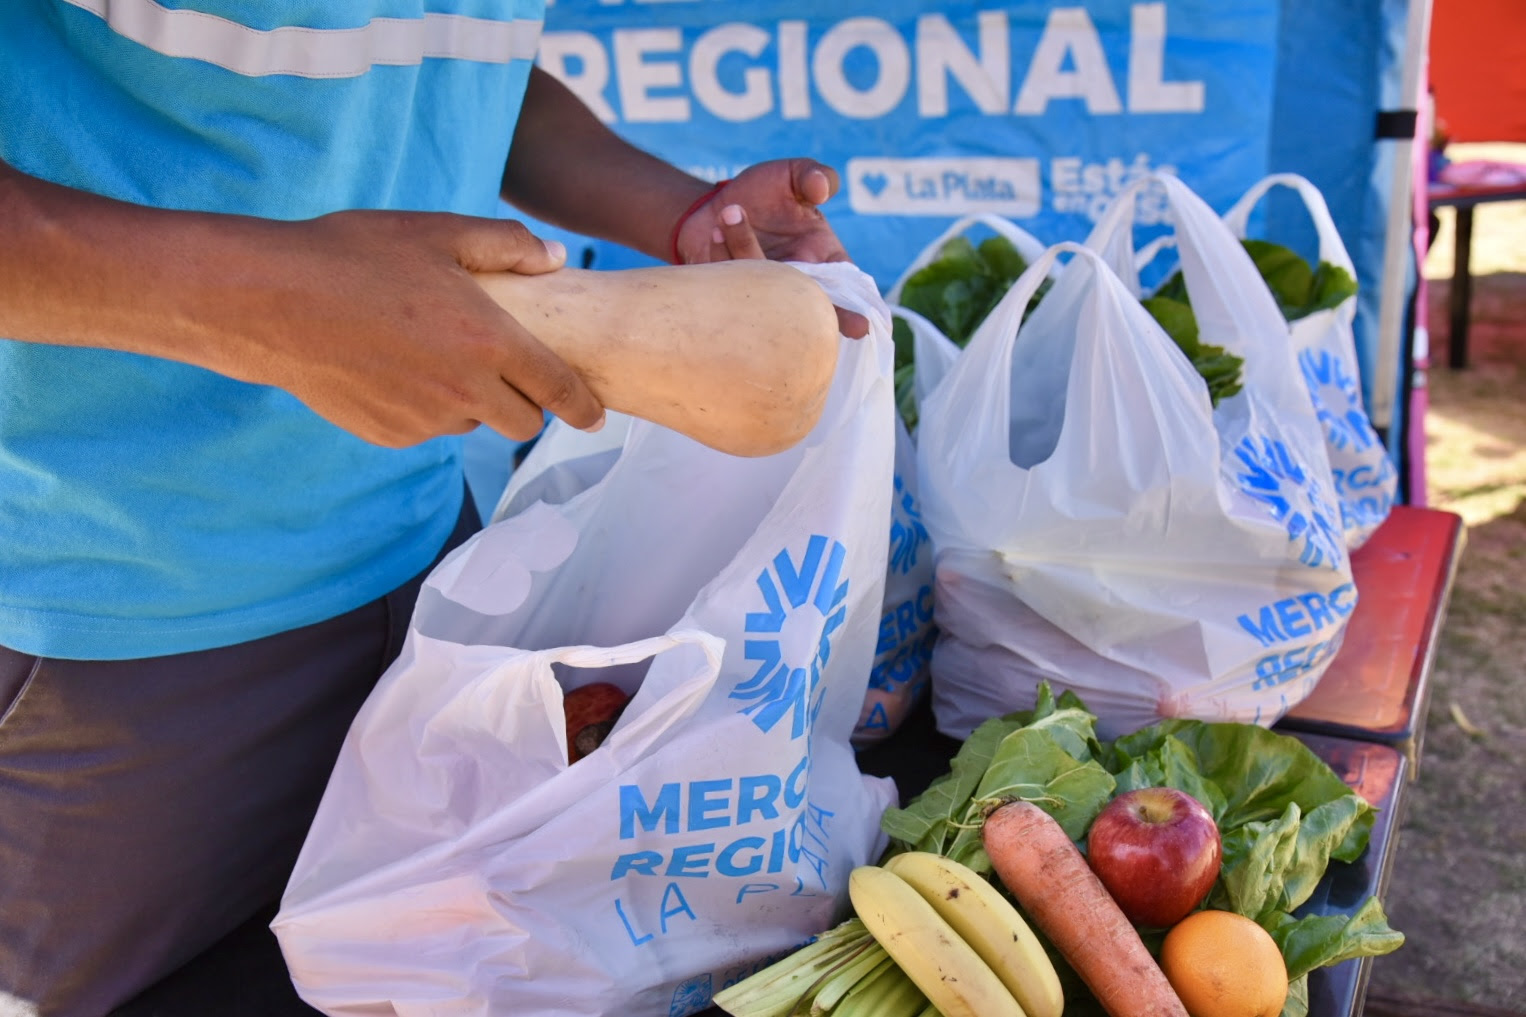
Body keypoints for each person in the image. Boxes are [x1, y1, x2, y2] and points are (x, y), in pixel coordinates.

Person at [0, 4, 865, 1015]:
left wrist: (679, 213)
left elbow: (445, 67)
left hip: (436, 575)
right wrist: (279, 304)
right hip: (114, 625)